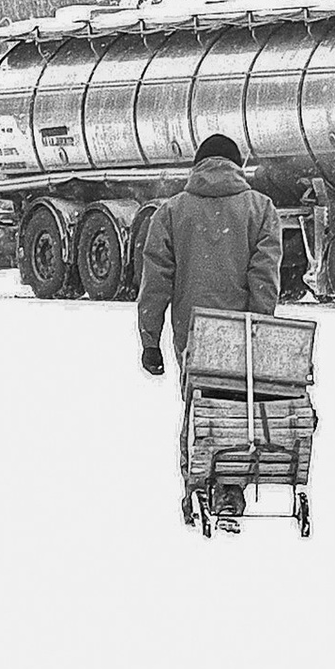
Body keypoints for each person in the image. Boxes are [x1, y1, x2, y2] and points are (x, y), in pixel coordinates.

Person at [137, 134, 283, 530]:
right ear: (236, 165)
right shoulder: (261, 209)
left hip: (194, 336)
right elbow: (264, 278)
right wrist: (259, 327)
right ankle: (230, 487)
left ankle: (195, 484)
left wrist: (151, 341)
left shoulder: (171, 212)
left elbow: (155, 283)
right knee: (236, 409)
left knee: (198, 407)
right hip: (242, 335)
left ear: (198, 165)